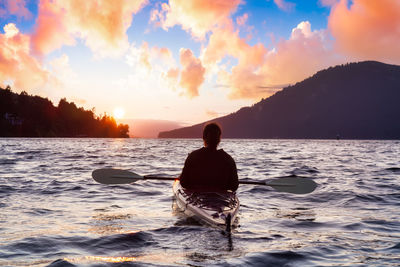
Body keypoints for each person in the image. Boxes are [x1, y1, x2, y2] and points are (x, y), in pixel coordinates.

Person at [179, 122, 239, 192]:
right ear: (219, 139)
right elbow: (234, 186)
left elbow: (184, 183)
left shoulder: (193, 156)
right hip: (221, 200)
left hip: (197, 197)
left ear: (204, 137)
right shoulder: (228, 159)